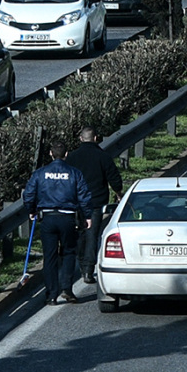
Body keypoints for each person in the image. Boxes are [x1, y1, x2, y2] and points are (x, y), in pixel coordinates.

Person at [23, 140, 92, 306]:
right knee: (69, 252)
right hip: (68, 218)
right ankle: (66, 288)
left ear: (50, 154)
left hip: (47, 217)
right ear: (66, 154)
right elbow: (84, 196)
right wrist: (87, 216)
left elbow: (29, 194)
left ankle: (51, 295)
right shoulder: (75, 173)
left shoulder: (40, 173)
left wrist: (31, 210)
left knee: (50, 256)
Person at [67, 126, 124, 284]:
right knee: (92, 235)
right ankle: (88, 270)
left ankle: (81, 263)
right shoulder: (102, 156)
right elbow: (114, 178)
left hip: (76, 201)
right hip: (95, 202)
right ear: (96, 138)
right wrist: (119, 194)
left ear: (80, 138)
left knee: (79, 234)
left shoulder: (72, 157)